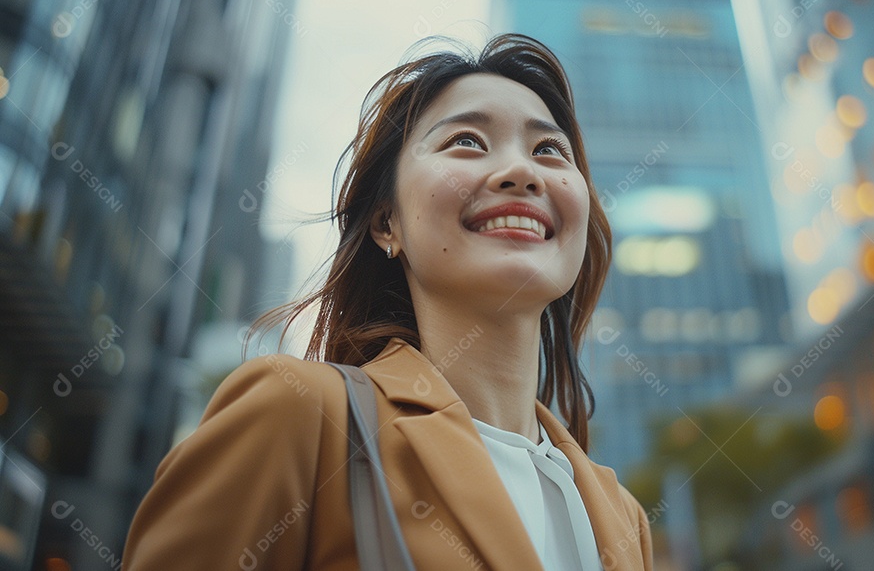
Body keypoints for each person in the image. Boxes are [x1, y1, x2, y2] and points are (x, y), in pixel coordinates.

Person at [121, 33, 654, 570]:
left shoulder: (623, 518)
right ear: (385, 222)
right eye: (466, 141)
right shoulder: (299, 417)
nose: (523, 172)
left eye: (548, 150)